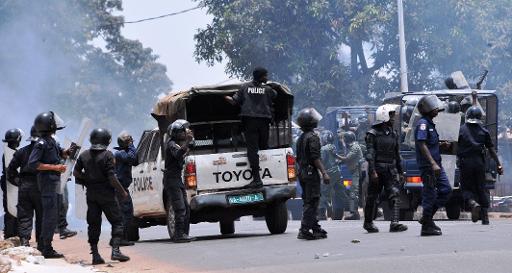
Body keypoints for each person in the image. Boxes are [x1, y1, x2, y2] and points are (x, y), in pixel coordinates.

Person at [73, 128, 130, 264]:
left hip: (91, 195)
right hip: (107, 195)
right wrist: (122, 192)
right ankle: (115, 251)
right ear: (106, 140)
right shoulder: (108, 155)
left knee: (93, 224)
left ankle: (95, 255)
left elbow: (75, 172)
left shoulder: (84, 155)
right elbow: (112, 177)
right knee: (117, 222)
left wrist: (88, 178)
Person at [28, 111, 76, 258]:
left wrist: (66, 152)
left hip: (53, 182)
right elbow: (33, 163)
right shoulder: (41, 143)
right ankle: (46, 248)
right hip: (47, 183)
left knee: (53, 215)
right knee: (49, 216)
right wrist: (55, 168)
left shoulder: (51, 141)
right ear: (49, 125)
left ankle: (45, 246)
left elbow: (56, 154)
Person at [225, 67, 277, 188]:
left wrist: (225, 97)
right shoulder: (268, 89)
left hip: (250, 122)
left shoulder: (244, 87)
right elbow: (275, 95)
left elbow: (234, 101)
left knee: (252, 150)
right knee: (264, 147)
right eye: (265, 76)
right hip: (264, 121)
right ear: (261, 76)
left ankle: (257, 179)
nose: (267, 78)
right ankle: (269, 177)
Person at [363, 105, 408, 233]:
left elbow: (397, 154)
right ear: (384, 116)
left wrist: (400, 171)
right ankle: (368, 223)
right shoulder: (372, 134)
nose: (394, 118)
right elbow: (370, 155)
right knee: (372, 196)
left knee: (395, 194)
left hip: (391, 169)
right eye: (391, 115)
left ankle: (394, 223)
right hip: (377, 169)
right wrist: (372, 171)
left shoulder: (393, 133)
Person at [458, 106, 503, 225]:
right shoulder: (484, 131)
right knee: (481, 189)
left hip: (465, 162)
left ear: (467, 116)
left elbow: (453, 147)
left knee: (466, 187)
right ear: (479, 117)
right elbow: (492, 150)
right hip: (479, 163)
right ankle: (485, 217)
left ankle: (473, 203)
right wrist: (499, 165)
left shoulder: (461, 130)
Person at [414, 95, 452, 236]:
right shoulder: (422, 123)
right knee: (429, 194)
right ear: (426, 108)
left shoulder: (430, 124)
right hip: (429, 166)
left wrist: (441, 145)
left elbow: (430, 144)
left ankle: (426, 218)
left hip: (436, 165)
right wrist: (432, 163)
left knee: (446, 190)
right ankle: (426, 226)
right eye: (433, 105)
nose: (436, 108)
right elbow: (421, 144)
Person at [295, 108, 330, 240]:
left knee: (308, 200)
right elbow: (316, 158)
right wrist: (324, 173)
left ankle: (315, 228)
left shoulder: (301, 138)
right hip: (310, 173)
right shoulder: (313, 137)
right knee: (313, 201)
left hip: (302, 172)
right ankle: (304, 229)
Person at [7, 126, 42, 246]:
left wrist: (19, 182)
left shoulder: (21, 151)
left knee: (25, 215)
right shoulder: (46, 152)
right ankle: (42, 244)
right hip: (41, 186)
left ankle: (24, 242)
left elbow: (10, 170)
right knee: (42, 215)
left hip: (25, 187)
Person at [164, 119, 195, 243]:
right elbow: (177, 154)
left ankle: (183, 234)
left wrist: (188, 144)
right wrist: (187, 142)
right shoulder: (171, 144)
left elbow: (181, 154)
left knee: (186, 208)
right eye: (182, 132)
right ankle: (178, 235)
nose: (184, 134)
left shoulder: (176, 144)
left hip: (177, 179)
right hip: (172, 180)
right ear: (175, 133)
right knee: (180, 208)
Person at [114, 132, 138, 245]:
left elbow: (136, 160)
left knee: (126, 212)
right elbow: (133, 158)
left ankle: (124, 237)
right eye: (129, 141)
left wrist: (131, 146)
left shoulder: (123, 153)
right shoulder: (120, 153)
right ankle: (121, 238)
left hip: (122, 187)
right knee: (125, 212)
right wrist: (132, 145)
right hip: (120, 187)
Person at [318, 131, 345, 220]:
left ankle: (321, 214)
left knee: (323, 193)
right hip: (337, 172)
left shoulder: (323, 149)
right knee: (340, 193)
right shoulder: (333, 147)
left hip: (329, 173)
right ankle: (341, 212)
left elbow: (321, 162)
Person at [2, 128, 23, 239]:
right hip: (11, 184)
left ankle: (13, 233)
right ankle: (11, 234)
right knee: (11, 209)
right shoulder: (11, 154)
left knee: (12, 209)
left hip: (10, 184)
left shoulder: (10, 153)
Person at [338, 131, 363, 220]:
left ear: (347, 139)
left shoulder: (355, 147)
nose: (342, 141)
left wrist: (335, 155)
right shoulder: (351, 147)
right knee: (355, 192)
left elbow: (347, 158)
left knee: (353, 192)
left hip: (357, 172)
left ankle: (354, 214)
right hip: (355, 171)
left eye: (343, 139)